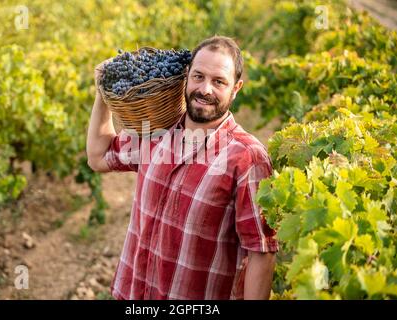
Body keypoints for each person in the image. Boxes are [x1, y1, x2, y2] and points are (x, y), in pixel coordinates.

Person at [86, 36, 278, 300]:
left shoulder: (247, 158)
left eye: (219, 81)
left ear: (236, 88)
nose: (205, 89)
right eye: (198, 76)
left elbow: (261, 251)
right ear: (186, 76)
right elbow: (99, 157)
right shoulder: (155, 131)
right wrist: (102, 93)